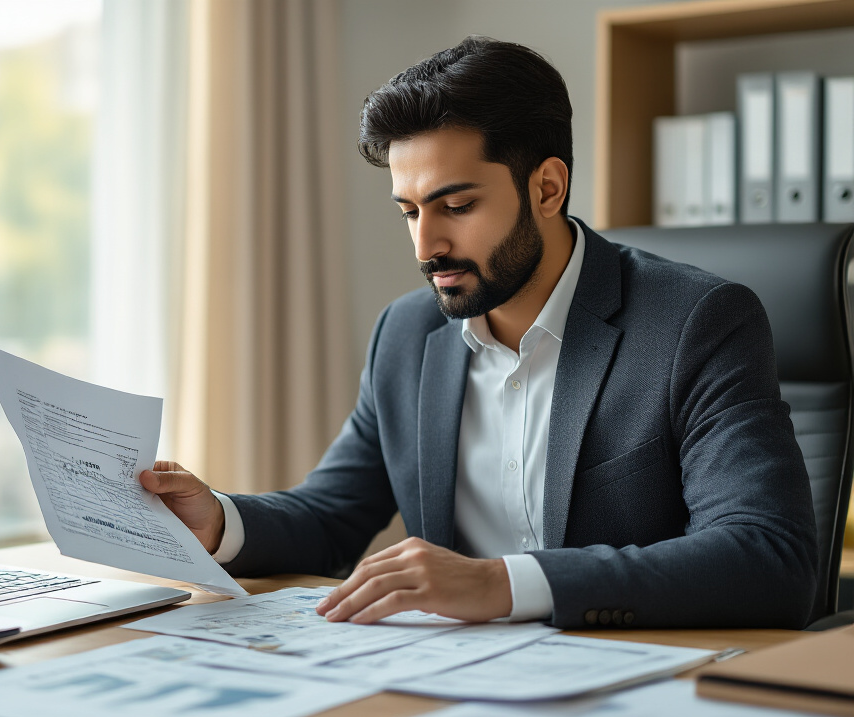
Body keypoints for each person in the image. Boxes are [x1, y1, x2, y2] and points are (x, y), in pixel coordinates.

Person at [139, 36, 817, 629]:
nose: (426, 245)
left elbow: (767, 556)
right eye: (409, 211)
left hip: (637, 686)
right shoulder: (407, 334)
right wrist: (221, 522)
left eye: (456, 205)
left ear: (548, 189)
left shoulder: (696, 323)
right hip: (458, 683)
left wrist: (500, 583)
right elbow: (332, 515)